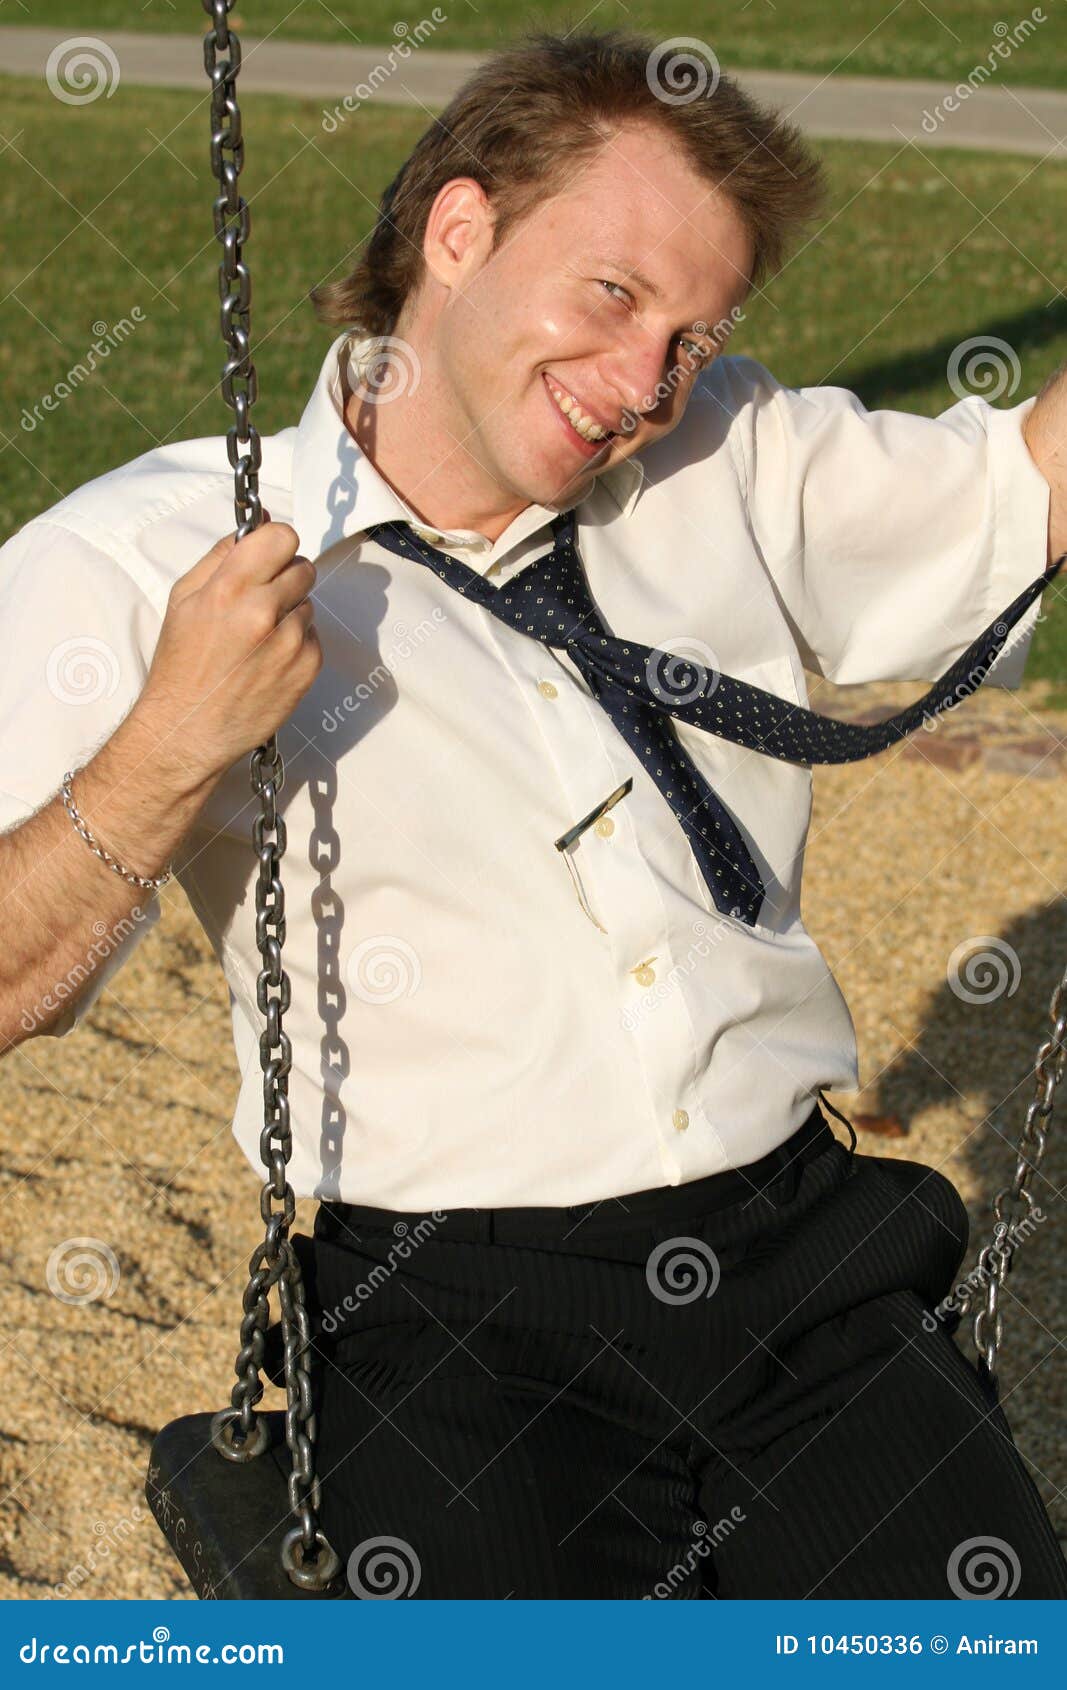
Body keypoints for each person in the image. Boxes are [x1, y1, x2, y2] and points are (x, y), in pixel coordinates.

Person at [1, 28, 1065, 1599]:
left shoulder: (730, 456)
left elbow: (1023, 489)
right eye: (614, 296)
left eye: (692, 335)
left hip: (802, 1257)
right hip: (452, 1314)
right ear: (457, 229)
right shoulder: (145, 562)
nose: (644, 386)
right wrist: (169, 742)